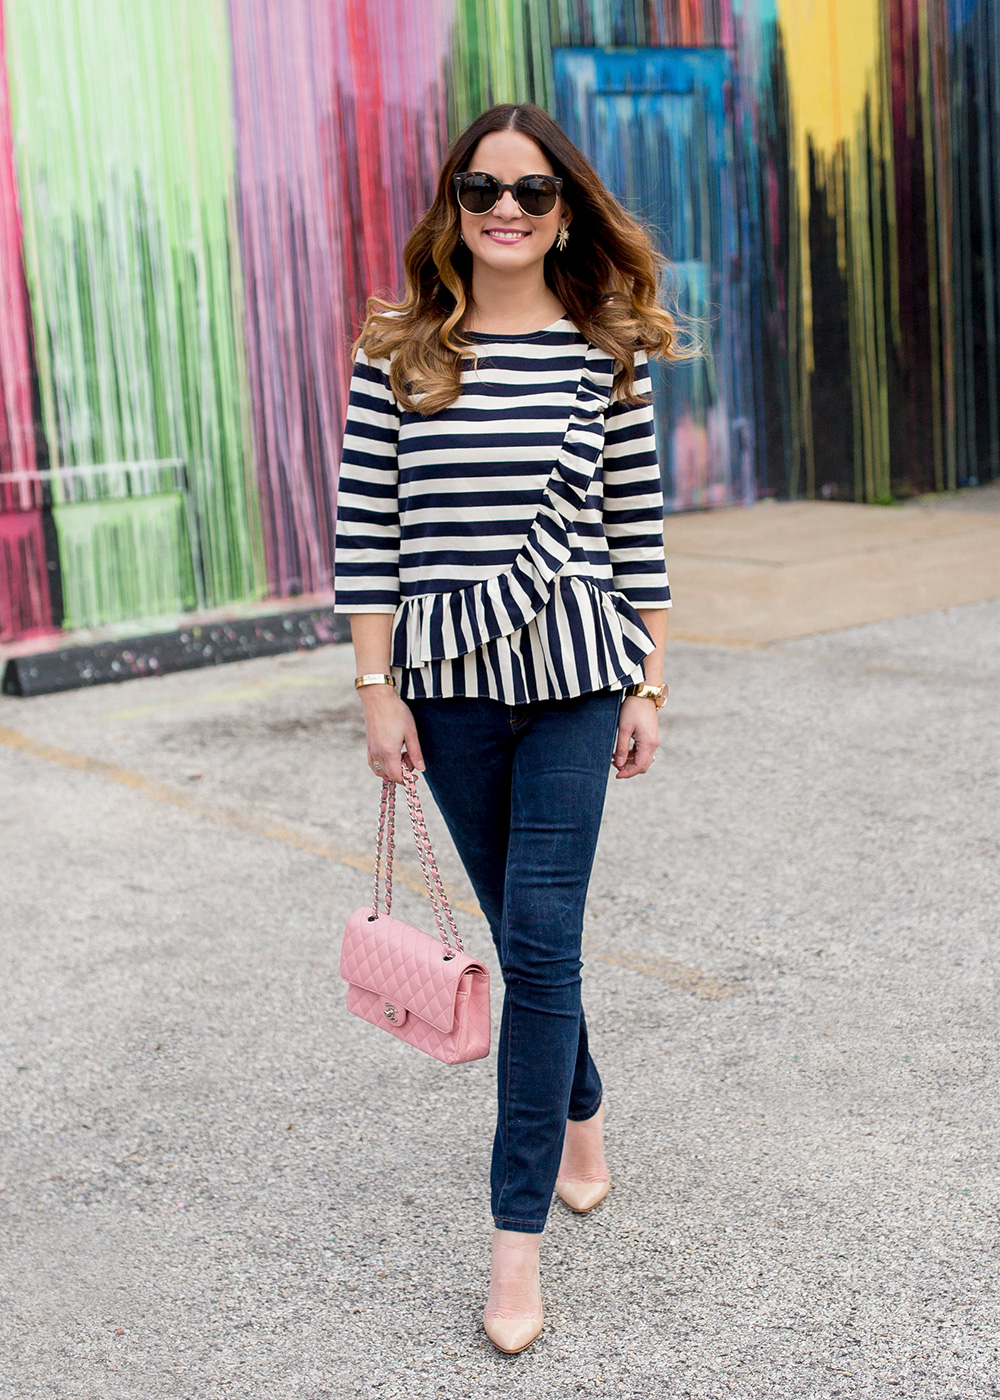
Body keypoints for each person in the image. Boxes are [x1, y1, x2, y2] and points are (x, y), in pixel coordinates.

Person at [333, 101, 693, 1355]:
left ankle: (512, 1242)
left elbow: (637, 535)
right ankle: (581, 1105)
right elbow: (365, 540)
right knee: (524, 937)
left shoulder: (605, 351)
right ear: (453, 200)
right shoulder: (400, 349)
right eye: (482, 187)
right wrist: (376, 692)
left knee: (541, 937)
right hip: (447, 684)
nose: (506, 207)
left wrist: (647, 684)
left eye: (533, 191)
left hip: (579, 671)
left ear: (563, 211)